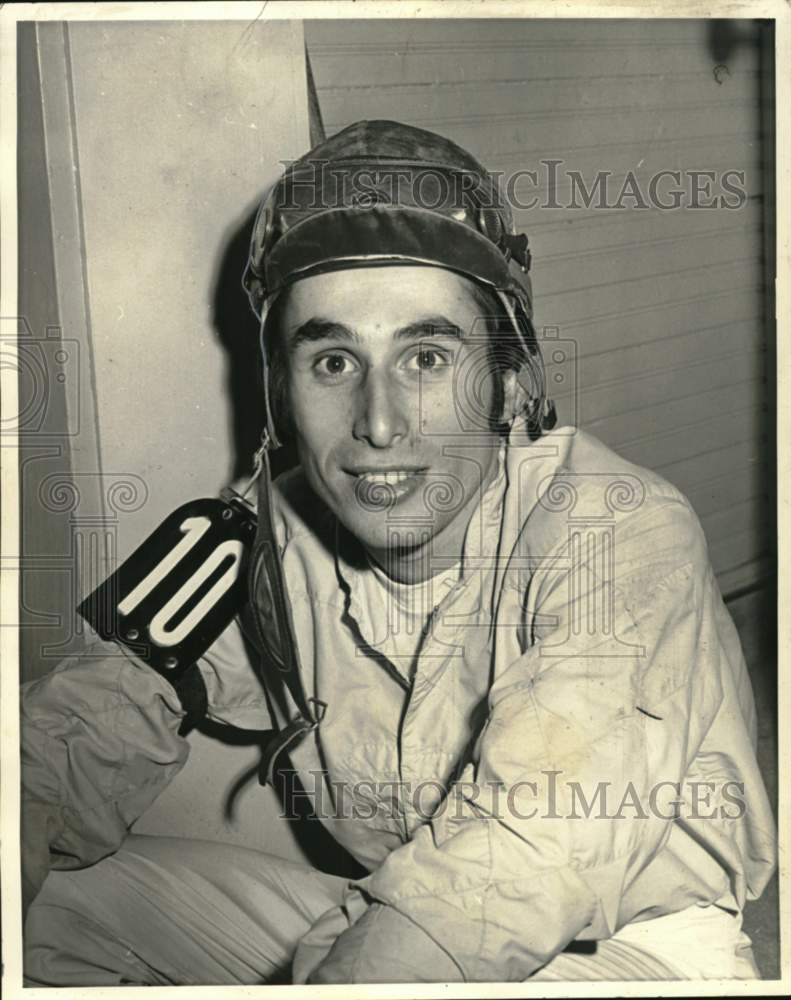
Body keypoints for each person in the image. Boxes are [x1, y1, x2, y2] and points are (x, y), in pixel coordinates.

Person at [21, 120, 776, 985]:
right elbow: (79, 725)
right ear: (280, 394)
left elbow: (525, 852)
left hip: (624, 950)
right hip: (395, 903)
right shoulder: (259, 534)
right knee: (50, 907)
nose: (378, 425)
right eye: (334, 360)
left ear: (509, 378)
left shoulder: (619, 530)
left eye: (425, 356)